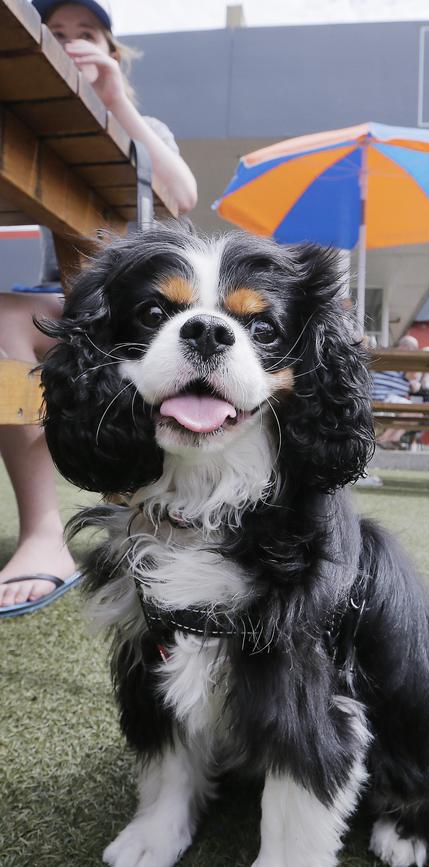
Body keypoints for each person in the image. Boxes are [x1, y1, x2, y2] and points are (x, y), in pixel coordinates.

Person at [0, 0, 197, 616]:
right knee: (4, 321)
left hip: (143, 320)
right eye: (55, 35)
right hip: (55, 314)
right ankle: (41, 530)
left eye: (87, 34)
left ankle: (162, 509)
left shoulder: (143, 124)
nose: (70, 43)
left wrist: (117, 100)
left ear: (113, 53)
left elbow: (182, 195)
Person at [371, 334, 422, 448]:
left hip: (384, 396)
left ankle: (393, 439)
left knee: (416, 413)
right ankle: (384, 439)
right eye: (414, 350)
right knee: (416, 412)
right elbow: (415, 385)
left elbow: (414, 385)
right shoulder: (402, 359)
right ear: (407, 348)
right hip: (385, 396)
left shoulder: (388, 355)